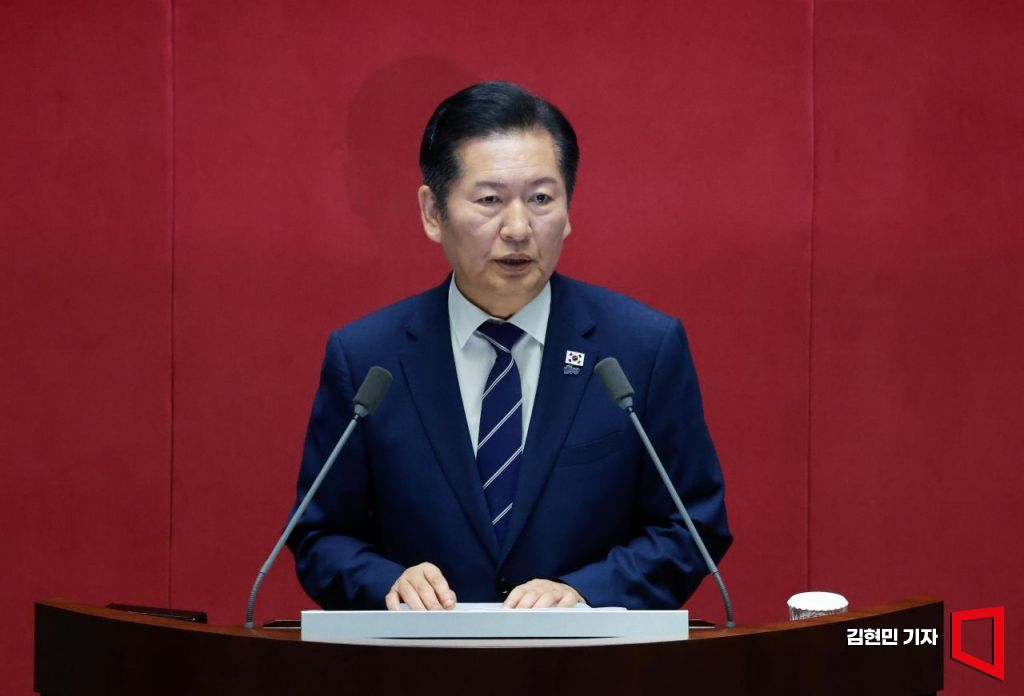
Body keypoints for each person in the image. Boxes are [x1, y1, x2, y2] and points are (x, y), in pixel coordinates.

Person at [287, 81, 731, 611]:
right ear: (433, 212)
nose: (518, 228)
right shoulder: (367, 358)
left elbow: (691, 526)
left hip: (590, 656)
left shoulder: (642, 349)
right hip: (422, 655)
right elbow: (319, 535)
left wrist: (588, 592)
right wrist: (387, 581)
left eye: (541, 199)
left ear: (568, 210)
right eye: (490, 200)